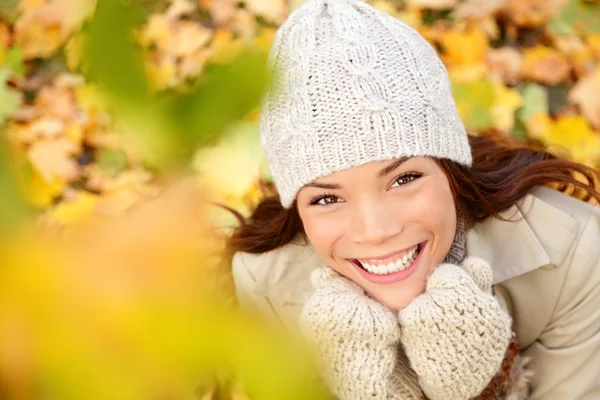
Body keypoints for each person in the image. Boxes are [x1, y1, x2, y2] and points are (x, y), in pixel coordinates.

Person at [227, 0, 600, 398]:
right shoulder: (264, 280)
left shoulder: (573, 252)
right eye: (326, 200)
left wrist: (486, 382)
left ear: (449, 169)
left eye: (404, 178)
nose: (375, 231)